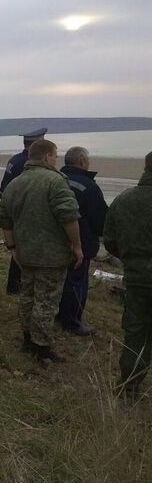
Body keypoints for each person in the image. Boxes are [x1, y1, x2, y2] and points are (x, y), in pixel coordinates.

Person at [0, 139, 82, 362]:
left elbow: (4, 219)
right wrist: (77, 246)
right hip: (51, 255)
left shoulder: (15, 183)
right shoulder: (55, 181)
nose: (56, 160)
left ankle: (28, 338)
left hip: (25, 253)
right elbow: (68, 216)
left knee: (28, 296)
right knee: (46, 300)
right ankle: (41, 346)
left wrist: (12, 247)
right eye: (55, 156)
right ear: (46, 157)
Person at [104, 151, 152, 396]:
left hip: (136, 278)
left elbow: (110, 240)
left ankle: (129, 386)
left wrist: (132, 259)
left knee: (136, 334)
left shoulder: (124, 200)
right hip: (137, 276)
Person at [56, 147, 108, 335]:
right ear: (81, 161)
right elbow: (100, 219)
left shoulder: (57, 180)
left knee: (59, 280)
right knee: (76, 283)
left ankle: (59, 314)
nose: (88, 163)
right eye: (87, 160)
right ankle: (72, 322)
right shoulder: (88, 186)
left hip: (55, 240)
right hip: (81, 242)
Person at [0, 128, 48, 295]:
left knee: (18, 251)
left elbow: (4, 190)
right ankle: (19, 286)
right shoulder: (27, 163)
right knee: (25, 252)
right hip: (24, 214)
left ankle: (14, 286)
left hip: (14, 211)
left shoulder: (15, 159)